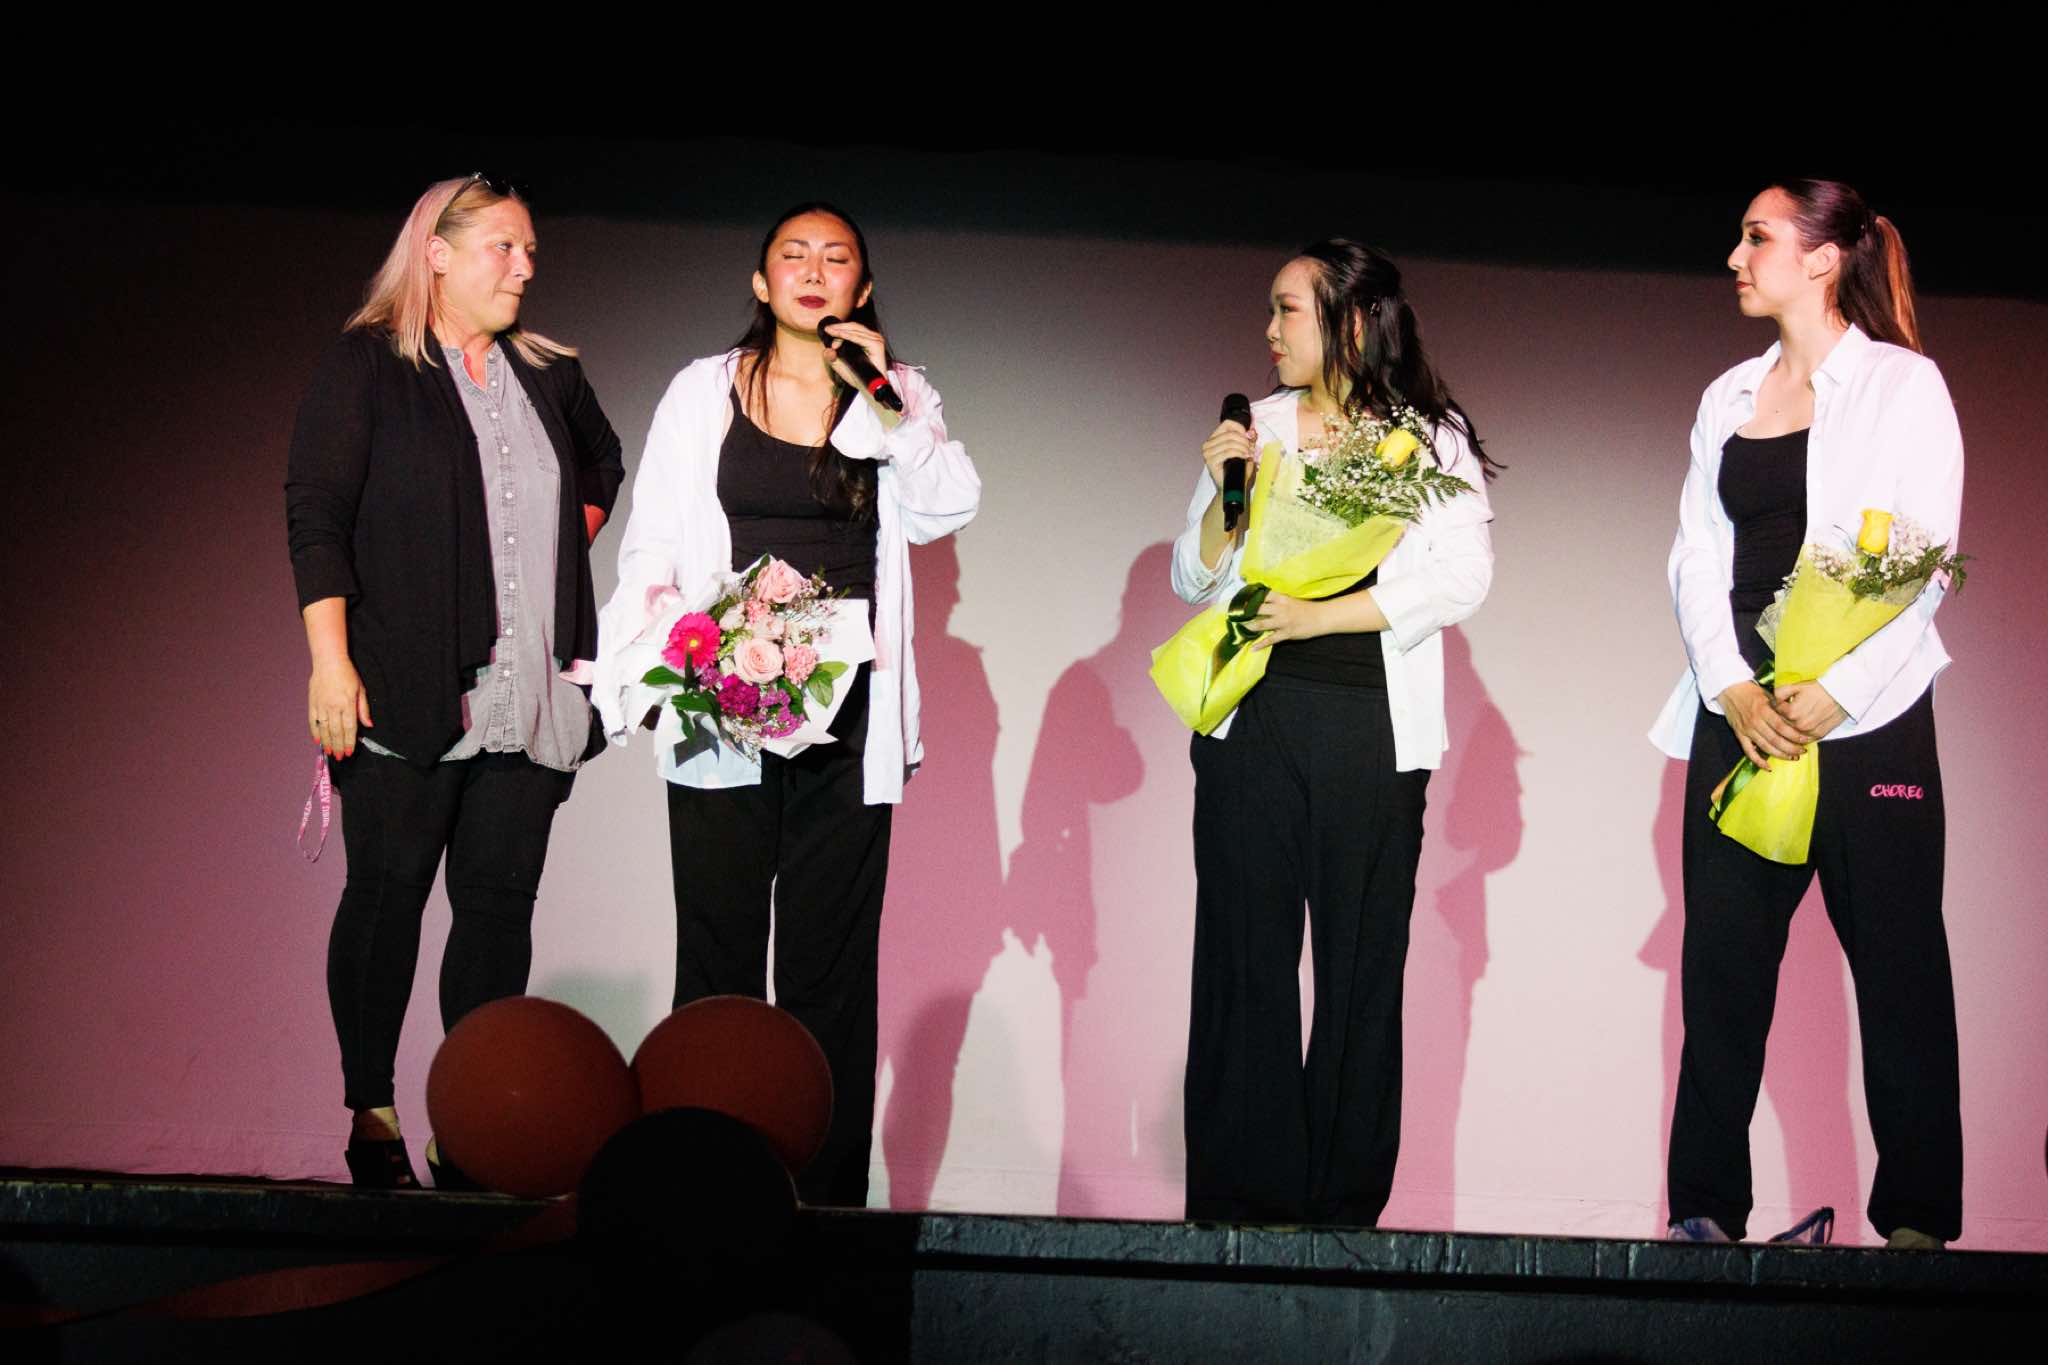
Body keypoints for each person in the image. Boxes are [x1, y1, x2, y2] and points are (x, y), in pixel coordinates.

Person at [594, 203, 980, 1207]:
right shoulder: (702, 389)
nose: (813, 272)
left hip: (848, 716)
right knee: (716, 960)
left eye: (835, 258)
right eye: (792, 257)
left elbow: (946, 505)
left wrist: (884, 395)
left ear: (861, 288)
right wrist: (663, 655)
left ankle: (825, 1204)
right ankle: (695, 1194)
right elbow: (651, 543)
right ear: (762, 285)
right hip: (722, 696)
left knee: (828, 976)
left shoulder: (898, 390)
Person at [286, 174, 624, 1189]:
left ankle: (467, 1127)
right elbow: (316, 514)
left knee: (496, 915)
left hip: (529, 697)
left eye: (530, 253)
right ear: (436, 251)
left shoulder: (550, 374)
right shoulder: (368, 366)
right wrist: (330, 661)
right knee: (386, 898)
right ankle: (373, 1111)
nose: (524, 269)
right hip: (405, 687)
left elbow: (602, 466)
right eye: (504, 249)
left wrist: (547, 560)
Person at [1650, 179, 1964, 1249]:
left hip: (1868, 718)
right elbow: (1696, 555)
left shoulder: (1900, 386)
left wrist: (1836, 692)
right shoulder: (1726, 395)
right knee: (1721, 973)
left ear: (1824, 258)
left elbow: (1924, 564)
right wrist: (1732, 686)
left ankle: (1915, 1226)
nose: (1734, 258)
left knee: (1899, 969)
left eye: (1756, 238)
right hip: (1743, 717)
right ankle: (1702, 1212)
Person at [1172, 239, 1497, 1224]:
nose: (1268, 330)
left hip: (1368, 722)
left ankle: (1338, 1206)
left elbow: (1461, 578)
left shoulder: (1425, 439)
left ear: (1352, 321)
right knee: (1242, 954)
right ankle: (1241, 1199)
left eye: (1287, 310)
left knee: (1359, 962)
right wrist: (1224, 501)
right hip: (1254, 717)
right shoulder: (1257, 426)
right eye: (1270, 310)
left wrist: (1321, 616)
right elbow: (1191, 577)